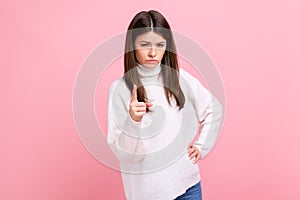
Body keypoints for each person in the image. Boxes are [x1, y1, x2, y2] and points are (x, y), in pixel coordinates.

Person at [107, 10, 223, 200]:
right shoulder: (120, 90)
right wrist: (133, 121)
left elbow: (213, 109)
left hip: (188, 185)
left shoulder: (179, 78)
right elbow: (126, 155)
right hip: (148, 193)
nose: (153, 53)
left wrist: (202, 145)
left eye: (160, 45)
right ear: (132, 46)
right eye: (145, 45)